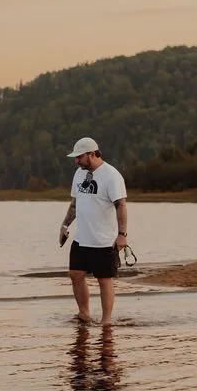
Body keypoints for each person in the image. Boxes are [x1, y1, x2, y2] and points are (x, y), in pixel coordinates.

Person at [58, 136, 128, 326]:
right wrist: (64, 226)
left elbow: (121, 206)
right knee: (75, 274)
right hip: (82, 238)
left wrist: (122, 235)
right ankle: (84, 314)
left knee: (104, 280)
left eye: (79, 157)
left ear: (92, 154)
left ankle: (106, 321)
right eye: (75, 157)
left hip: (104, 240)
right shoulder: (79, 174)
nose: (76, 161)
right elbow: (75, 204)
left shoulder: (111, 175)